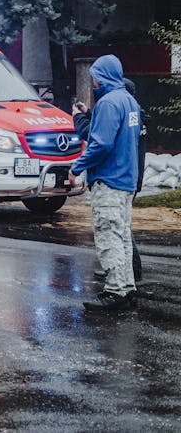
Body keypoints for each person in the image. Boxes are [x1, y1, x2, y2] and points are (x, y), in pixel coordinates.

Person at [70, 55, 142, 311]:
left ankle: (115, 292)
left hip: (109, 179)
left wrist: (77, 166)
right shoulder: (130, 101)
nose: (93, 81)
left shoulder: (109, 103)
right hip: (126, 180)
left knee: (109, 236)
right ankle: (127, 287)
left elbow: (101, 144)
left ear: (102, 77)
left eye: (95, 77)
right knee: (122, 235)